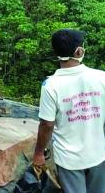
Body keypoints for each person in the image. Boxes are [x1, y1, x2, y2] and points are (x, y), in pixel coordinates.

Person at [33, 29, 105, 193]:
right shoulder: (101, 77)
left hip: (69, 159)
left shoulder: (50, 85)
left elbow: (46, 124)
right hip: (99, 154)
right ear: (79, 51)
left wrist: (38, 153)